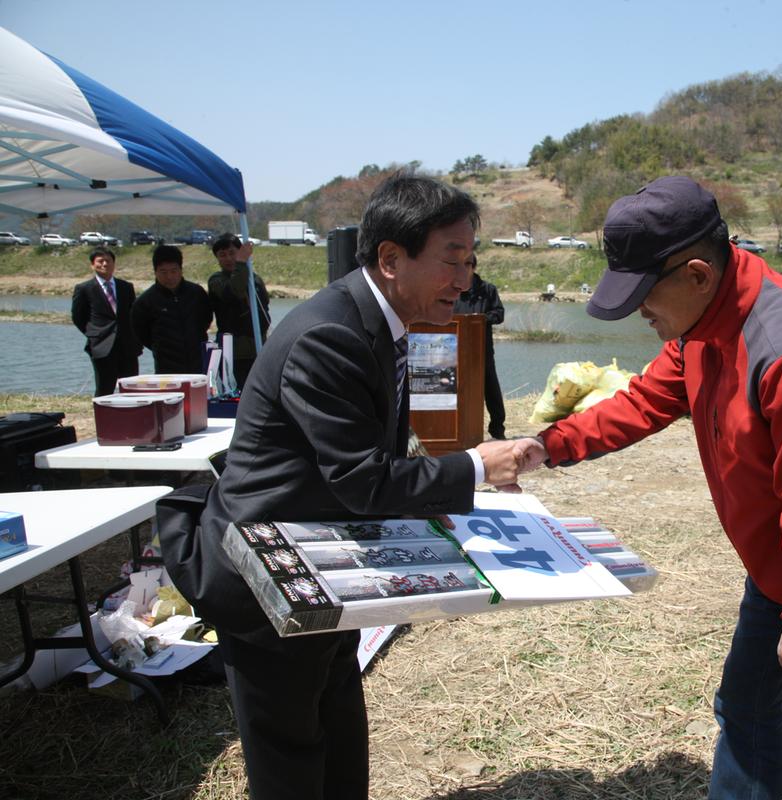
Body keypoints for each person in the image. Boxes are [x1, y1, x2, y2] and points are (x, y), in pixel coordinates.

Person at [515, 176, 782, 800]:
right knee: (745, 709)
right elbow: (646, 399)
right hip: (776, 567)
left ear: (698, 274)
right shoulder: (701, 328)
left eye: (643, 296)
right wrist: (545, 447)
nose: (638, 314)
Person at [192, 176, 534, 800]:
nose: (464, 280)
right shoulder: (332, 335)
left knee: (340, 730)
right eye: (451, 260)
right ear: (390, 258)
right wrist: (479, 467)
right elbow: (363, 480)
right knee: (291, 755)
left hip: (323, 559)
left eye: (471, 260)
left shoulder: (393, 324)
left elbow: (385, 455)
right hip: (268, 570)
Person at [131, 244, 213, 374]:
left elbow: (207, 319)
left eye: (173, 271)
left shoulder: (196, 293)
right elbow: (142, 333)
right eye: (163, 272)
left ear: (181, 270)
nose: (169, 277)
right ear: (155, 271)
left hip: (199, 363)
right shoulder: (145, 301)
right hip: (167, 367)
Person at [70, 246, 142, 395]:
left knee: (131, 387)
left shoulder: (126, 287)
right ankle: (105, 417)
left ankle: (131, 417)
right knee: (104, 387)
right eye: (100, 261)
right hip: (101, 345)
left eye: (108, 261)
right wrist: (94, 333)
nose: (104, 264)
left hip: (127, 346)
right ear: (92, 265)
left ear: (114, 264)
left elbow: (133, 315)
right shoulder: (84, 289)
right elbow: (78, 317)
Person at [453, 252, 507, 439]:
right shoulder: (450, 289)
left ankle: (498, 430)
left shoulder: (487, 290)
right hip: (454, 349)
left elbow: (499, 314)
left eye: (467, 265)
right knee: (455, 388)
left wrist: (481, 320)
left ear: (473, 267)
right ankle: (458, 430)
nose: (462, 270)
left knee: (490, 388)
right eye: (458, 265)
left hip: (481, 348)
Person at [208, 233, 270, 389]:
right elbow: (235, 289)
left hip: (258, 350)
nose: (228, 259)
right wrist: (241, 262)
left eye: (232, 253)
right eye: (222, 255)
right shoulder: (216, 280)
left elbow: (265, 309)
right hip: (233, 355)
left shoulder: (255, 280)